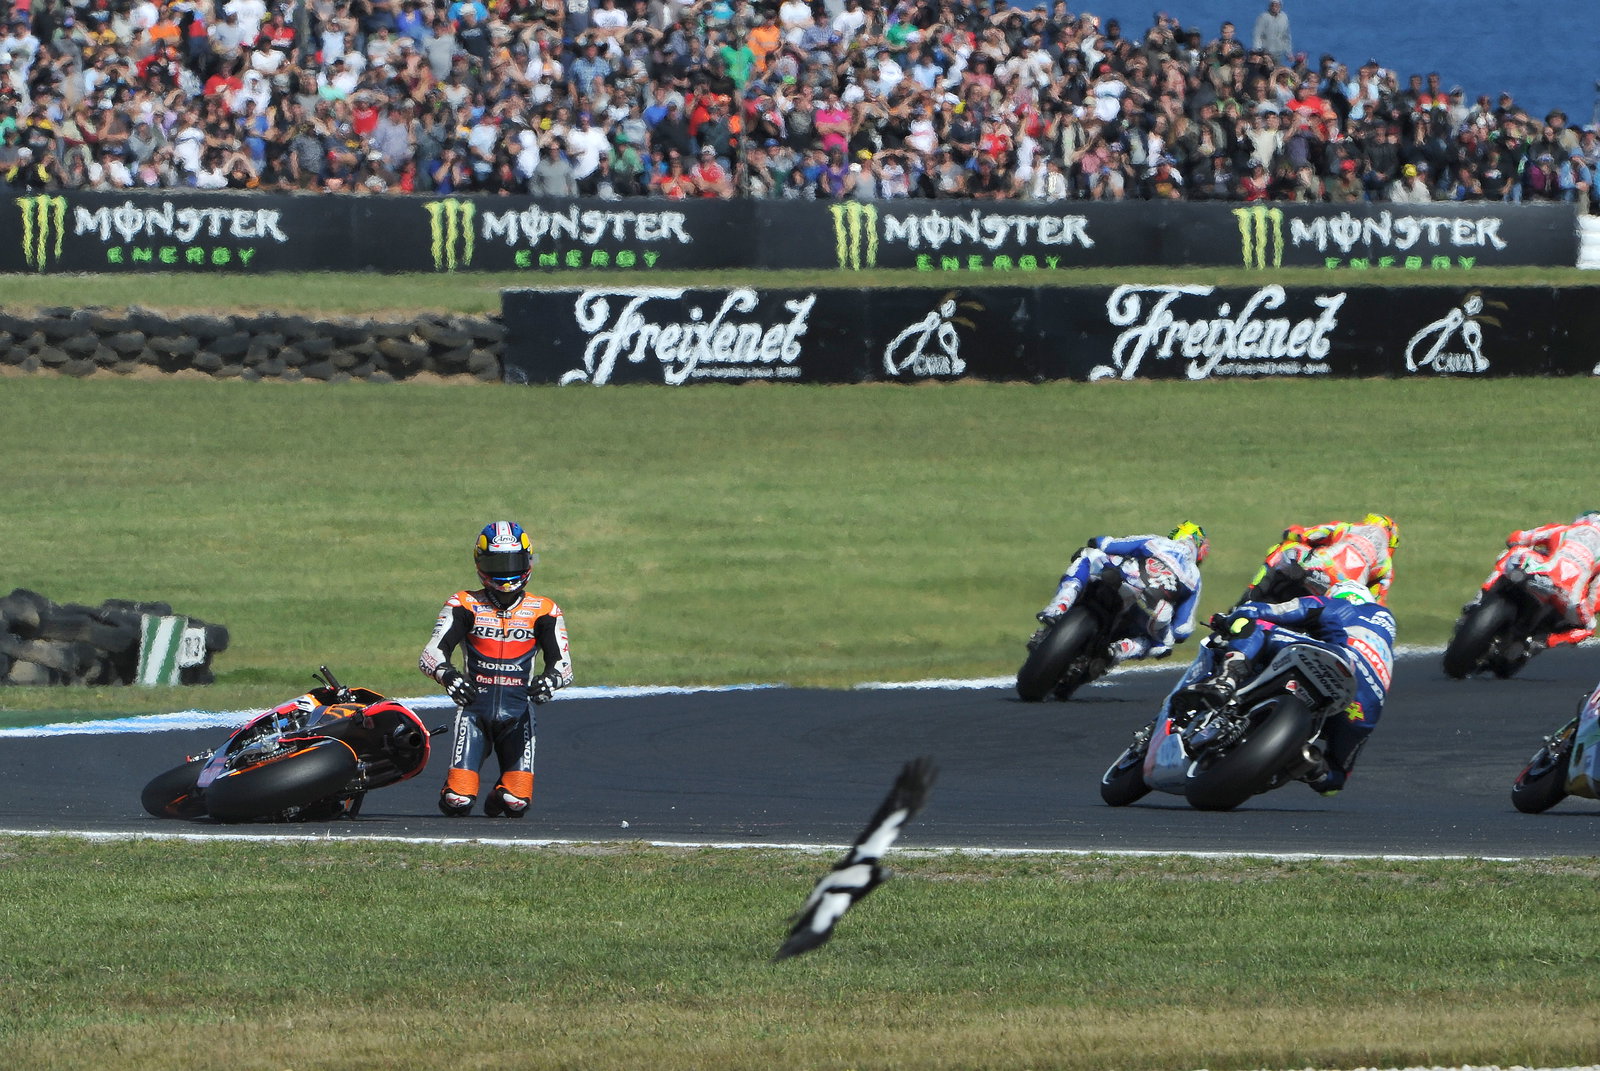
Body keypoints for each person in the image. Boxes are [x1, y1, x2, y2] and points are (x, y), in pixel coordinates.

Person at [1180, 580, 1396, 796]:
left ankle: (1227, 678)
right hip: (1365, 703)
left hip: (1335, 657)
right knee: (1335, 774)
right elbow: (1335, 786)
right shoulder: (1384, 650)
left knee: (1256, 623)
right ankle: (1309, 765)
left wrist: (1243, 613)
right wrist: (1322, 776)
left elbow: (1299, 609)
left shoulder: (1348, 607)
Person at [419, 521, 573, 818]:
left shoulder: (545, 610)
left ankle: (499, 795)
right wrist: (448, 676)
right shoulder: (463, 604)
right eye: (496, 563)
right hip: (473, 711)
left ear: (527, 561)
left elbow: (564, 664)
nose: (505, 574)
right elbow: (431, 652)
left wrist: (550, 681)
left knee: (517, 802)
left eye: (512, 562)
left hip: (519, 714)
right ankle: (460, 790)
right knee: (458, 801)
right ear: (480, 563)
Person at [1034, 522, 1209, 669]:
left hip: (1125, 578)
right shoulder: (1195, 577)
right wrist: (1169, 632)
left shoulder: (1157, 541)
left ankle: (1059, 607)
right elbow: (1183, 629)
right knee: (1162, 644)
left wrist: (1096, 541)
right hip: (1149, 606)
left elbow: (1108, 544)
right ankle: (1120, 650)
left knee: (1086, 556)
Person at [1466, 512, 1600, 653]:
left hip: (1540, 571)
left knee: (1515, 552)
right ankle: (1540, 642)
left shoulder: (1562, 530)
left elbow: (1517, 538)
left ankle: (1479, 598)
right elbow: (1595, 599)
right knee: (1588, 628)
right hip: (1569, 595)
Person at [1244, 513, 1399, 605]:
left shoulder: (1346, 528)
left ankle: (1251, 596)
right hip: (1343, 595)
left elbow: (1302, 534)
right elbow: (1376, 603)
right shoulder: (1386, 567)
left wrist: (1293, 534)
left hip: (1318, 569)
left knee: (1283, 547)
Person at [1251, 0, 1291, 68]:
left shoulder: (1284, 18)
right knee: (1266, 71)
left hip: (1278, 53)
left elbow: (1286, 36)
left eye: (1277, 5)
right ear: (1270, 6)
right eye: (1273, 5)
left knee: (1276, 72)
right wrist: (1258, 49)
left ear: (1280, 6)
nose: (1274, 7)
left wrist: (1288, 52)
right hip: (1266, 52)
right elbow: (1257, 34)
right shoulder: (1263, 17)